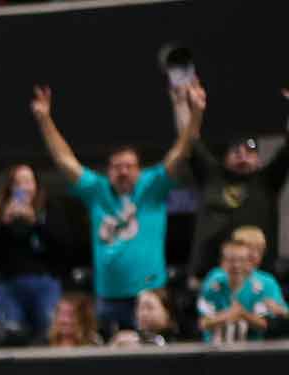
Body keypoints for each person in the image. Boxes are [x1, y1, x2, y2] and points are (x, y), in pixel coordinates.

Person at [31, 83, 205, 331]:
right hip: (108, 298)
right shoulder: (97, 190)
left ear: (139, 169)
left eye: (129, 166)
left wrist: (196, 114)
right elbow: (65, 160)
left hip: (149, 295)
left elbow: (181, 153)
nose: (123, 171)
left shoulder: (152, 185)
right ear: (108, 170)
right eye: (116, 167)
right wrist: (45, 119)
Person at [183, 92, 289, 282]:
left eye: (249, 152)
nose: (242, 155)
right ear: (225, 157)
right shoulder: (212, 176)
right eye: (236, 151)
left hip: (258, 279)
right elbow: (189, 142)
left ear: (258, 159)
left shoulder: (267, 180)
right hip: (208, 277)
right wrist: (190, 108)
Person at [0, 163, 65, 341]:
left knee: (48, 333)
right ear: (10, 188)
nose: (23, 187)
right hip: (9, 285)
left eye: (27, 182)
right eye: (18, 183)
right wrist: (4, 224)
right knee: (12, 335)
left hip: (44, 283)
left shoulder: (48, 210)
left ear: (35, 186)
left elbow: (62, 247)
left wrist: (35, 222)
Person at [196, 239, 286, 344]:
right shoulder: (212, 286)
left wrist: (242, 314)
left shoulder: (260, 287)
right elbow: (203, 323)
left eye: (241, 260)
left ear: (249, 263)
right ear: (222, 262)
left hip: (252, 351)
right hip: (214, 350)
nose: (236, 265)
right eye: (231, 260)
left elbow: (264, 325)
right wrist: (226, 316)